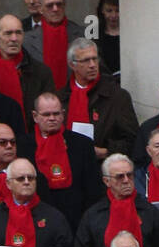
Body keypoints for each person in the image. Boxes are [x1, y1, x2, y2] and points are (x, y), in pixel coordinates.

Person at [22, 91, 103, 234]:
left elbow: (93, 188)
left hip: (76, 219)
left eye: (56, 114)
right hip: (35, 219)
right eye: (46, 115)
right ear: (35, 116)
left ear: (63, 114)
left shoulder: (82, 144)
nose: (52, 118)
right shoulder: (23, 146)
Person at [61, 39, 137, 160]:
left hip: (104, 167)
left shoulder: (117, 96)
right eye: (86, 60)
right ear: (72, 65)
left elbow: (132, 140)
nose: (92, 65)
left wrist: (106, 152)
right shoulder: (61, 98)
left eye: (95, 59)